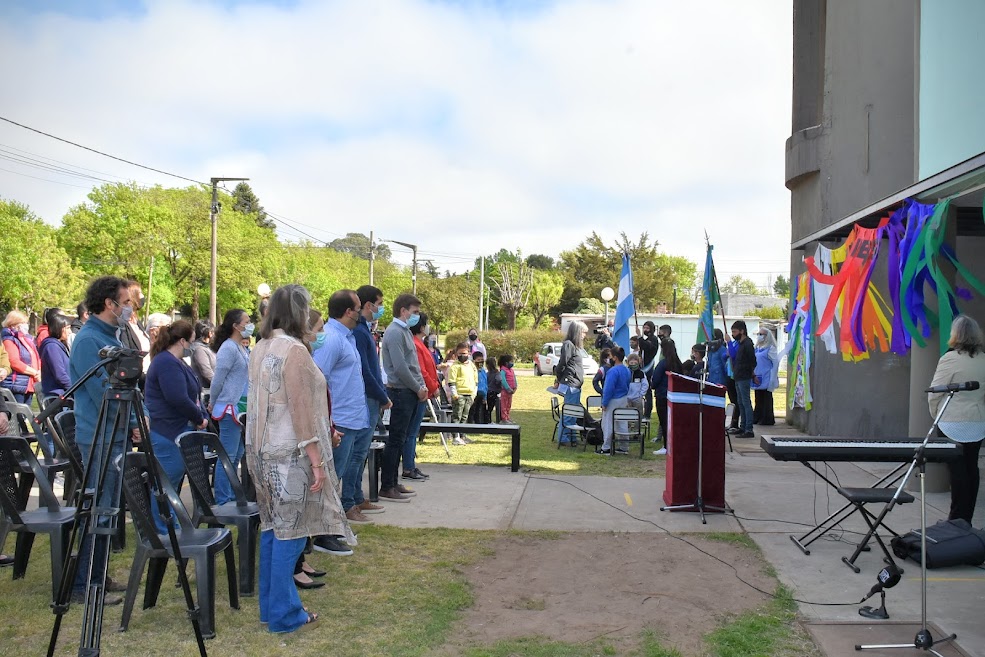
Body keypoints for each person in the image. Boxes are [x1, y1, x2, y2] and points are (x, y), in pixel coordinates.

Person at [245, 284, 354, 633]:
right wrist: (317, 460)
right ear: (297, 312)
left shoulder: (261, 346)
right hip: (289, 454)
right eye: (306, 309)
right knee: (291, 533)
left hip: (261, 453)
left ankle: (271, 608)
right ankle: (283, 614)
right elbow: (300, 408)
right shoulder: (293, 351)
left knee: (274, 529)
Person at [68, 275, 137, 605]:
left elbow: (127, 387)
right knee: (101, 509)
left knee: (109, 509)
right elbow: (103, 395)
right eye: (125, 301)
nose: (130, 306)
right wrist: (130, 420)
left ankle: (98, 575)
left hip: (117, 433)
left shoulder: (114, 335)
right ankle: (85, 585)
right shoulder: (88, 341)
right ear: (109, 304)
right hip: (99, 437)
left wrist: (135, 420)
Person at [313, 290, 375, 530]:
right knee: (332, 474)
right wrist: (328, 421)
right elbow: (319, 380)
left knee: (342, 470)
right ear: (348, 311)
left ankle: (336, 514)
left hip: (353, 416)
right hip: (339, 418)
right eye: (358, 307)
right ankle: (323, 525)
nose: (361, 311)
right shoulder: (330, 338)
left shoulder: (347, 337)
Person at [144, 320, 208, 534]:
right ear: (182, 341)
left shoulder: (176, 361)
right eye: (191, 340)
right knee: (166, 483)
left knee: (171, 481)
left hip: (178, 429)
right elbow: (177, 398)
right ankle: (162, 527)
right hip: (167, 431)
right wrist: (199, 417)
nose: (193, 344)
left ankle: (168, 523)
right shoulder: (166, 363)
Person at [928, 315, 985, 523]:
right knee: (971, 468)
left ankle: (955, 519)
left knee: (957, 471)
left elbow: (935, 392)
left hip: (952, 422)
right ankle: (965, 519)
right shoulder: (983, 359)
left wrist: (936, 415)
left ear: (956, 334)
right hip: (977, 422)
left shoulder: (949, 359)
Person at [342, 285, 390, 518]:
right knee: (357, 453)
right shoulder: (359, 332)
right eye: (379, 304)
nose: (380, 309)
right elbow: (365, 371)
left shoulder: (363, 330)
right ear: (368, 305)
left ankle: (358, 497)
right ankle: (348, 501)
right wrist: (382, 397)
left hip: (371, 396)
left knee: (360, 452)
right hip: (367, 398)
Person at [379, 293, 427, 502]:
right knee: (395, 440)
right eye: (414, 312)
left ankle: (394, 482)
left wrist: (420, 386)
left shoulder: (404, 330)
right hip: (401, 391)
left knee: (400, 440)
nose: (417, 316)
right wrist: (417, 388)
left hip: (410, 390)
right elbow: (399, 367)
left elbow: (412, 364)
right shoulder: (394, 332)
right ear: (403, 311)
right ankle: (387, 485)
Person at [209, 308, 252, 505]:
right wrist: (212, 401)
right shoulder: (228, 348)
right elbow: (218, 379)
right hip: (228, 407)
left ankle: (231, 494)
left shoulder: (240, 347)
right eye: (246, 321)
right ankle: (223, 498)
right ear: (235, 326)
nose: (250, 325)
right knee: (228, 455)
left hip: (238, 407)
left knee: (236, 454)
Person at [404, 312, 438, 480]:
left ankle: (410, 465)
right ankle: (408, 467)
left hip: (424, 391)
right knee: (411, 432)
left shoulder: (419, 343)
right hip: (420, 391)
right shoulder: (415, 344)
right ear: (422, 326)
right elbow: (421, 371)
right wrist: (433, 387)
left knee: (413, 432)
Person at [555, 320, 589, 444]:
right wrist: (559, 378)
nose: (584, 335)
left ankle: (571, 437)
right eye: (583, 332)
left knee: (573, 413)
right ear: (577, 332)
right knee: (569, 412)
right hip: (571, 384)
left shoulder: (574, 346)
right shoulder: (569, 345)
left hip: (574, 384)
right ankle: (564, 438)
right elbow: (562, 363)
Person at [1, 310, 41, 405]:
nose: (25, 325)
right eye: (23, 323)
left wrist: (39, 372)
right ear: (13, 324)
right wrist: (34, 372)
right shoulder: (9, 339)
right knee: (18, 416)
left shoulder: (25, 339)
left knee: (26, 416)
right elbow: (14, 361)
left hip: (27, 384)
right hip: (15, 386)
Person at [650, 339, 683, 455]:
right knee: (672, 422)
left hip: (662, 395)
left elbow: (655, 380)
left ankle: (666, 446)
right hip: (675, 396)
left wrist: (652, 384)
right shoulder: (678, 363)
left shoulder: (663, 363)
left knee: (664, 422)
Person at [599, 346, 630, 455]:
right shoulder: (627, 370)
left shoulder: (612, 371)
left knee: (607, 424)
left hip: (613, 400)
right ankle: (624, 446)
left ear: (615, 358)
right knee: (622, 423)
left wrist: (604, 403)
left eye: (611, 356)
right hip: (623, 398)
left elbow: (608, 389)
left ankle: (606, 447)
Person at [447, 341, 478, 445]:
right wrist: (454, 394)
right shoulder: (455, 366)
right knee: (457, 416)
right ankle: (455, 437)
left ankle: (462, 435)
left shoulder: (472, 366)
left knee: (465, 416)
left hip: (469, 395)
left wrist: (474, 394)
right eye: (460, 354)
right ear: (456, 354)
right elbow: (451, 382)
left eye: (464, 353)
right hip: (459, 395)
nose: (462, 356)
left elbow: (475, 380)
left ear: (468, 353)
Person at [730, 320, 756, 439]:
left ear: (742, 331)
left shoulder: (747, 344)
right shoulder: (740, 344)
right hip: (738, 376)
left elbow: (752, 361)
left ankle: (748, 428)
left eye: (735, 331)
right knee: (740, 403)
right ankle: (743, 426)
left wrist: (751, 373)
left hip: (744, 376)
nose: (733, 334)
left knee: (746, 402)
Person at [39, 313, 72, 397]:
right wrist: (74, 389)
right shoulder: (52, 347)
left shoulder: (59, 345)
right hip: (57, 395)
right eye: (67, 328)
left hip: (63, 393)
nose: (70, 332)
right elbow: (60, 375)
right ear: (58, 328)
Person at [752, 328, 780, 426]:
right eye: (759, 334)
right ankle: (757, 416)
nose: (760, 336)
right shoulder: (757, 348)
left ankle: (767, 418)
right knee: (758, 397)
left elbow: (775, 362)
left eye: (762, 334)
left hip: (767, 376)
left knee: (766, 398)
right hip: (757, 375)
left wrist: (773, 377)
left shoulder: (770, 348)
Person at [636, 321, 659, 418]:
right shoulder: (647, 339)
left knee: (647, 392)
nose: (645, 330)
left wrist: (639, 336)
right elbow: (642, 349)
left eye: (647, 328)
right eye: (644, 328)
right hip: (643, 366)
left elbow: (646, 346)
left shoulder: (653, 339)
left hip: (648, 369)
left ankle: (647, 413)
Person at [189, 320, 216, 389]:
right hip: (205, 390)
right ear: (210, 333)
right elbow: (207, 372)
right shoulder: (199, 350)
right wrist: (220, 385)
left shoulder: (208, 347)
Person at [467, 351, 488, 424]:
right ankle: (470, 423)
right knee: (472, 409)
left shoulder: (483, 371)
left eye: (482, 360)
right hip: (474, 393)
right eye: (478, 360)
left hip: (482, 393)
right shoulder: (471, 370)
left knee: (479, 410)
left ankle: (478, 424)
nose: (480, 362)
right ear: (474, 360)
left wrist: (485, 396)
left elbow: (485, 383)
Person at [626, 353, 649, 417]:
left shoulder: (641, 373)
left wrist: (641, 395)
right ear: (628, 363)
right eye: (631, 363)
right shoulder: (625, 372)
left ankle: (637, 427)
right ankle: (629, 427)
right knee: (627, 415)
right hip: (627, 398)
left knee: (638, 415)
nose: (633, 364)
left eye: (635, 363)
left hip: (637, 398)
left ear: (638, 363)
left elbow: (645, 385)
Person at [498, 354, 518, 424]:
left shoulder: (511, 370)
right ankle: (504, 418)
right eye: (511, 361)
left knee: (509, 405)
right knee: (504, 405)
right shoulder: (503, 371)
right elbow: (503, 381)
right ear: (506, 363)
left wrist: (515, 387)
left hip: (511, 391)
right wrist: (508, 389)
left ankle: (507, 417)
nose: (512, 363)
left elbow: (514, 378)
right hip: (505, 391)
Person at [486, 357, 501, 423]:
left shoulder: (487, 374)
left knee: (488, 408)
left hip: (488, 392)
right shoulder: (497, 373)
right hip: (494, 392)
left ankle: (488, 420)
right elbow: (499, 380)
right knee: (494, 408)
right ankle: (491, 421)